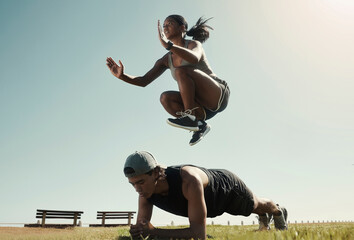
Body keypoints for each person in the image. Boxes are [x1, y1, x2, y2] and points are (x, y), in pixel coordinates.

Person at [106, 15, 230, 146]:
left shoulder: (193, 44)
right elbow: (143, 81)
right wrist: (122, 76)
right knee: (165, 98)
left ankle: (190, 118)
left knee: (181, 70)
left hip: (217, 95)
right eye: (164, 25)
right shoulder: (166, 59)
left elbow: (194, 58)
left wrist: (169, 46)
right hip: (201, 108)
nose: (165, 27)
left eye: (169, 23)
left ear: (182, 28)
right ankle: (199, 124)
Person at [123, 151, 288, 239]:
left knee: (256, 205)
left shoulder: (188, 180)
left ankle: (278, 212)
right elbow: (143, 230)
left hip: (226, 189)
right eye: (133, 184)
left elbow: (198, 235)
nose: (137, 189)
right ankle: (264, 220)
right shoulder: (145, 192)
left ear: (156, 173)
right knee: (255, 209)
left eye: (141, 182)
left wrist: (154, 232)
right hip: (208, 204)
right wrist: (139, 231)